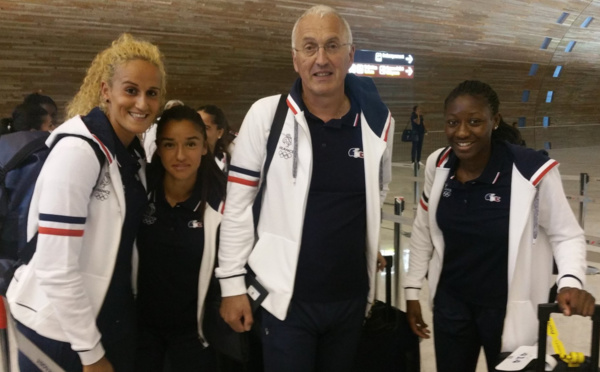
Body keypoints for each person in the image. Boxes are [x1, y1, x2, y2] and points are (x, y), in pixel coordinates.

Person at [215, 5, 394, 372]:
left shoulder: (378, 123)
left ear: (350, 55)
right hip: (285, 303)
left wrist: (368, 238)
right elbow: (237, 205)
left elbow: (379, 186)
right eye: (309, 47)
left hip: (350, 301)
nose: (321, 59)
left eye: (332, 46)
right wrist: (232, 284)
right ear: (295, 59)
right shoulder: (267, 117)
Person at [404, 80, 595, 372]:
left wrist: (571, 282)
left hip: (509, 309)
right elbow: (422, 229)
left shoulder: (530, 171)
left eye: (475, 121)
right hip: (451, 306)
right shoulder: (439, 164)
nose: (462, 132)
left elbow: (565, 233)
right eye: (453, 122)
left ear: (495, 121)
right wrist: (412, 289)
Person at [6, 33, 166, 372]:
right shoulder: (77, 152)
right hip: (60, 332)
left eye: (152, 93)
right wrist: (89, 352)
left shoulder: (131, 156)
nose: (142, 103)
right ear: (106, 91)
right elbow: (55, 265)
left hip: (109, 320)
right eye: (131, 90)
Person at [134, 105, 226, 371]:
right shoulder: (139, 195)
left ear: (205, 147)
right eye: (170, 144)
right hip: (142, 332)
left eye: (191, 144)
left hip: (196, 335)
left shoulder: (222, 204)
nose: (180, 155)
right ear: (158, 148)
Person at [197, 104, 233, 172]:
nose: (198, 132)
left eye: (205, 128)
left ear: (219, 133)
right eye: (195, 126)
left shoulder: (229, 166)